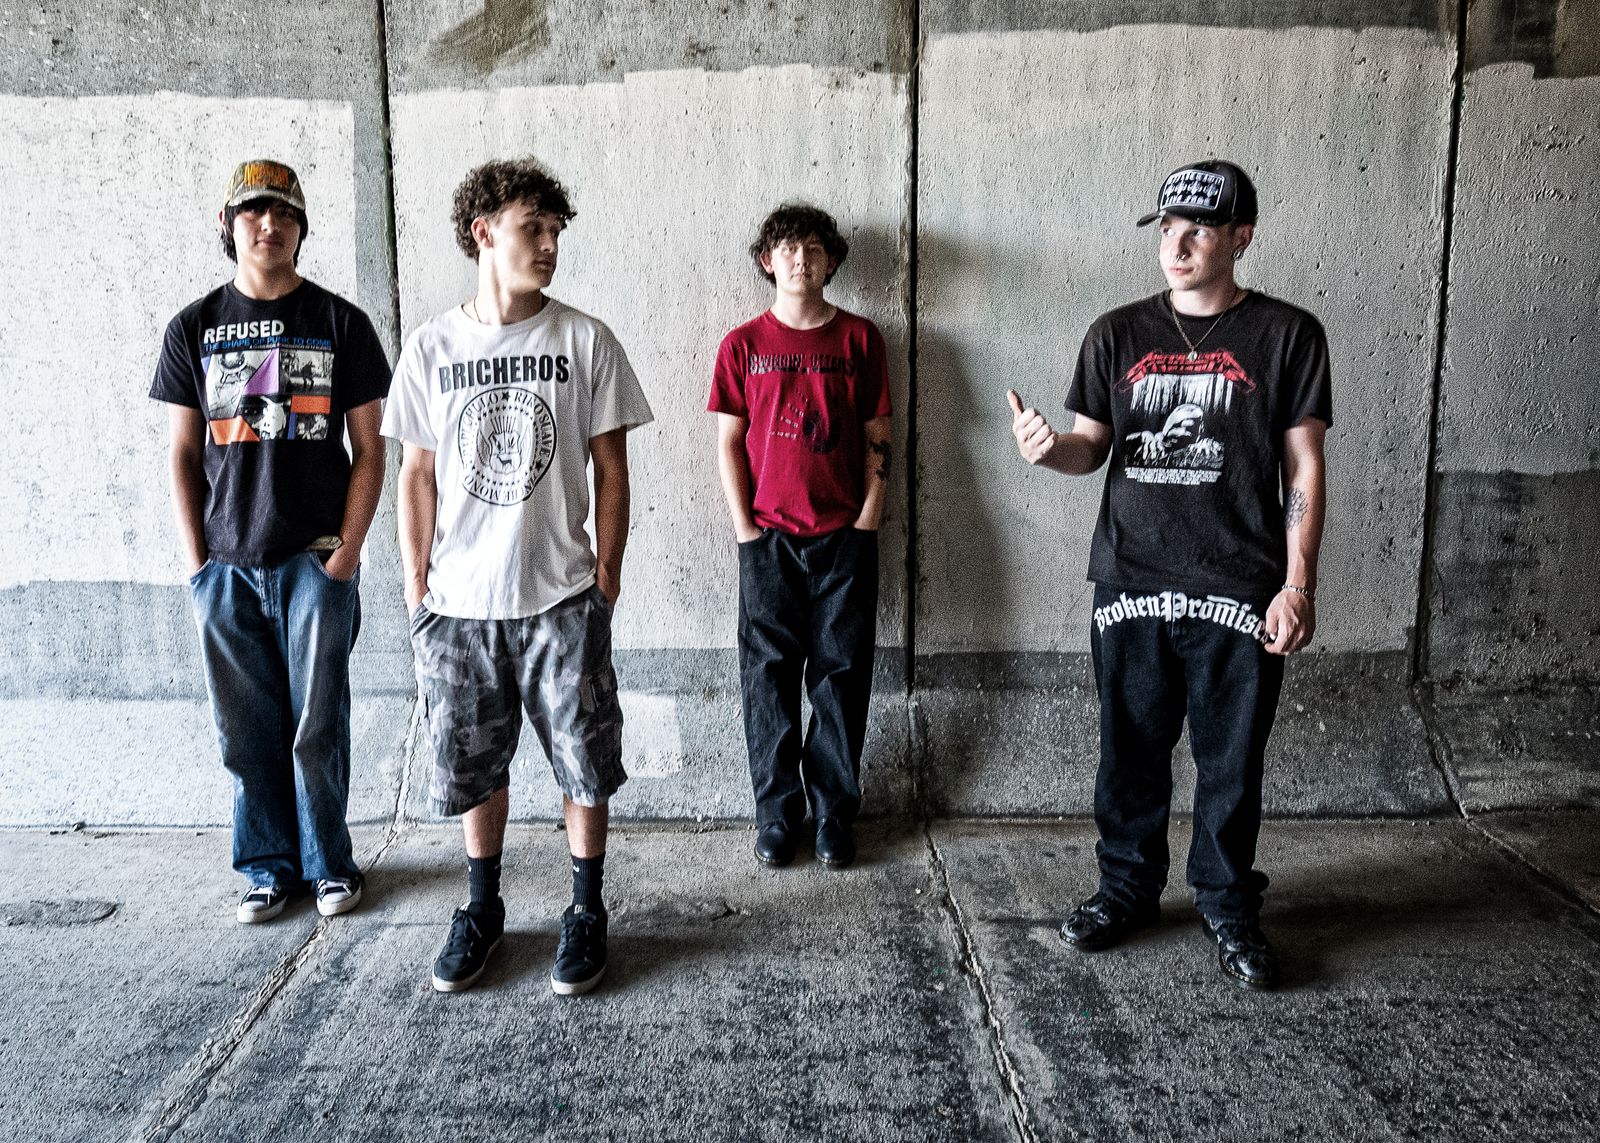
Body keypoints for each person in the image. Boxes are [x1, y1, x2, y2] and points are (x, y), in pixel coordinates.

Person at [1007, 160, 1331, 990]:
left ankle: (1226, 903)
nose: (1176, 245)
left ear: (1241, 237)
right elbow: (1091, 446)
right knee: (1129, 750)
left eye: (1199, 230)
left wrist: (1297, 583)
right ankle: (1127, 890)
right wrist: (1049, 451)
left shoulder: (1288, 335)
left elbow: (1303, 465)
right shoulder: (1116, 333)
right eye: (1166, 228)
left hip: (1240, 581)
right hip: (1131, 577)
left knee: (1232, 760)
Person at [382, 158, 654, 995]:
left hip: (562, 599)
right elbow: (415, 474)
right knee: (475, 767)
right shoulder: (433, 347)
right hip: (459, 606)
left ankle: (586, 909)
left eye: (555, 230)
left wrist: (606, 578)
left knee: (584, 764)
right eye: (533, 227)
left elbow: (612, 468)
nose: (549, 245)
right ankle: (482, 907)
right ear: (484, 233)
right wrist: (416, 588)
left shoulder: (585, 340)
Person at [151, 159, 391, 924]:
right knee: (245, 732)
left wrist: (345, 554)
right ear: (228, 226)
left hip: (314, 561)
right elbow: (182, 455)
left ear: (301, 228)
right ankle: (266, 867)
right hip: (226, 566)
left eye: (285, 212)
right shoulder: (193, 328)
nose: (270, 223)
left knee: (318, 727)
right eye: (254, 211)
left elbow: (372, 450)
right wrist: (197, 564)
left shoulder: (341, 322)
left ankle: (329, 865)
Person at [709, 204, 892, 869]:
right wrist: (746, 530)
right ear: (768, 260)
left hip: (844, 538)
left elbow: (879, 435)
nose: (800, 259)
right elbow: (729, 443)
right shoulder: (742, 346)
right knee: (768, 678)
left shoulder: (860, 340)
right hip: (768, 542)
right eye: (787, 247)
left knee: (842, 678)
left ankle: (833, 815)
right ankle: (777, 814)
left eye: (814, 248)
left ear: (832, 261)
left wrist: (868, 520)